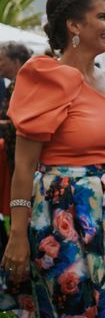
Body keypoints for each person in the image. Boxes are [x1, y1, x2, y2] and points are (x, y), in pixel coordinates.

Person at [0, 0, 105, 318]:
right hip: (58, 208)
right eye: (102, 16)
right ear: (74, 26)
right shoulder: (44, 78)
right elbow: (23, 167)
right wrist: (17, 233)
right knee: (74, 310)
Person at [0, 42, 33, 258]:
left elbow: (21, 124)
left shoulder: (22, 86)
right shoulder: (15, 84)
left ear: (15, 61)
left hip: (22, 159)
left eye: (2, 61)